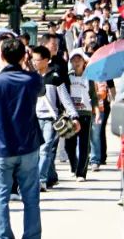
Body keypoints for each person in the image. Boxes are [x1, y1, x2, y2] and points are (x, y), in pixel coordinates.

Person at [0, 38, 44, 239]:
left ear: (2, 56)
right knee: (31, 197)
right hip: (28, 146)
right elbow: (41, 87)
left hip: (0, 147)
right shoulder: (31, 80)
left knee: (0, 197)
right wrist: (30, 65)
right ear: (24, 56)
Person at [31, 46, 78, 191]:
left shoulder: (55, 78)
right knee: (37, 151)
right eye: (33, 59)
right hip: (34, 118)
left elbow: (65, 98)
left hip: (51, 119)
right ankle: (51, 176)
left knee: (45, 149)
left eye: (37, 60)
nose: (34, 62)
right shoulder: (32, 78)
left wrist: (74, 116)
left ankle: (41, 180)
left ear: (46, 60)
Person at [64, 50, 95, 182]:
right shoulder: (67, 77)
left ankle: (81, 173)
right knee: (69, 144)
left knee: (84, 144)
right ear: (70, 62)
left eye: (79, 59)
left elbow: (93, 95)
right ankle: (74, 166)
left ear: (84, 61)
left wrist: (97, 111)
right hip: (71, 113)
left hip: (85, 112)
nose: (76, 62)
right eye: (74, 60)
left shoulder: (89, 77)